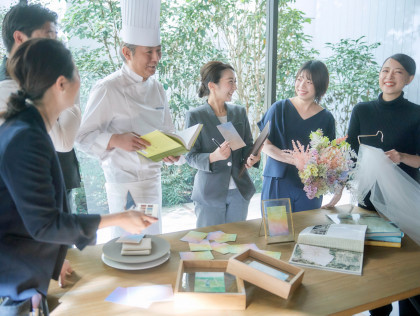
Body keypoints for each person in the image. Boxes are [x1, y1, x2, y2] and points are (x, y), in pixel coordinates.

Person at [0, 38, 157, 316]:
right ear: (61, 84)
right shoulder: (25, 137)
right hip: (16, 280)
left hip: (28, 272)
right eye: (77, 72)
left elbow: (29, 214)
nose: (80, 82)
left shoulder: (28, 128)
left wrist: (54, 259)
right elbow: (46, 224)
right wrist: (121, 217)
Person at [76, 0, 181, 237]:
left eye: (158, 50)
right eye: (149, 52)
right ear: (127, 52)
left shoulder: (158, 89)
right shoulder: (107, 89)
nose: (156, 58)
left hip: (153, 183)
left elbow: (167, 131)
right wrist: (114, 139)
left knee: (154, 244)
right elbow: (81, 138)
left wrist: (171, 152)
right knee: (128, 250)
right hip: (123, 186)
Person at [347, 53, 420, 316]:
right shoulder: (362, 110)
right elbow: (349, 155)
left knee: (405, 278)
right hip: (368, 205)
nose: (389, 77)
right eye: (385, 70)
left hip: (403, 206)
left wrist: (401, 157)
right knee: (375, 278)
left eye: (398, 72)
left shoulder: (416, 114)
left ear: (409, 79)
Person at [0, 3, 82, 210]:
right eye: (49, 35)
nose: (55, 43)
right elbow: (63, 140)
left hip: (60, 184)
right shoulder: (7, 88)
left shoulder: (50, 73)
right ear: (19, 38)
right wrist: (70, 82)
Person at [185, 61, 261, 228]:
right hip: (209, 194)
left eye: (235, 81)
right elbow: (190, 156)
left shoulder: (238, 112)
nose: (234, 87)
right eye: (230, 81)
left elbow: (247, 146)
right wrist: (213, 156)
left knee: (237, 244)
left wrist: (253, 156)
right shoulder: (195, 116)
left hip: (239, 192)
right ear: (212, 85)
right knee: (211, 245)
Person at [258, 60, 338, 212]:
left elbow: (329, 156)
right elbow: (264, 144)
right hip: (277, 182)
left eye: (309, 82)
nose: (301, 86)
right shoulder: (279, 108)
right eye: (299, 79)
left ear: (319, 85)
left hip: (310, 187)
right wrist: (291, 159)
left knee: (306, 232)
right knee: (277, 232)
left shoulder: (326, 117)